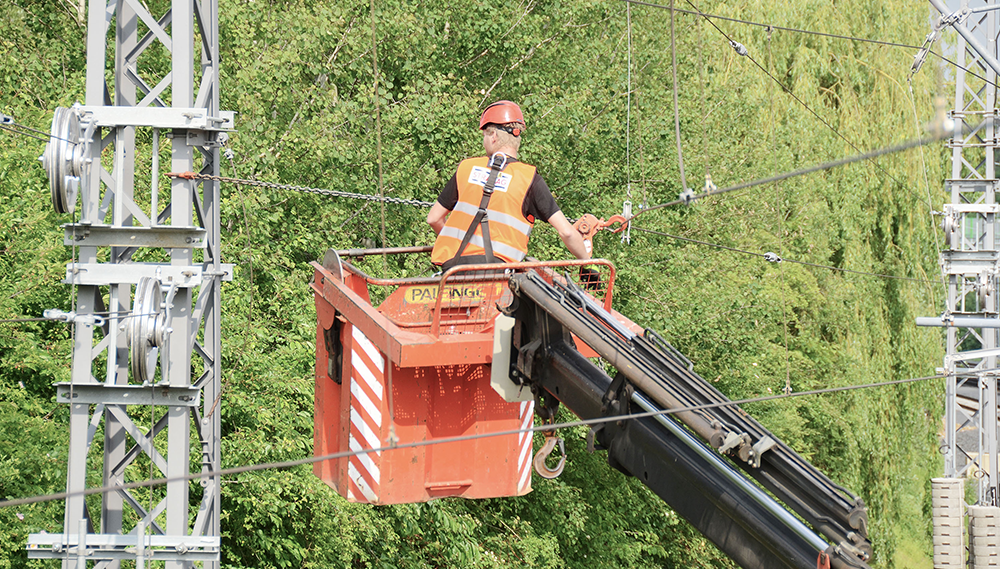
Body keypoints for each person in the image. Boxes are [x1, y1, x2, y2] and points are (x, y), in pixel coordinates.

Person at [427, 100, 591, 270]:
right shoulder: (529, 179)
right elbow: (567, 232)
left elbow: (433, 218)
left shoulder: (467, 168)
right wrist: (588, 262)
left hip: (453, 271)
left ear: (494, 136)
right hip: (498, 278)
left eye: (484, 135)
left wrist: (459, 244)